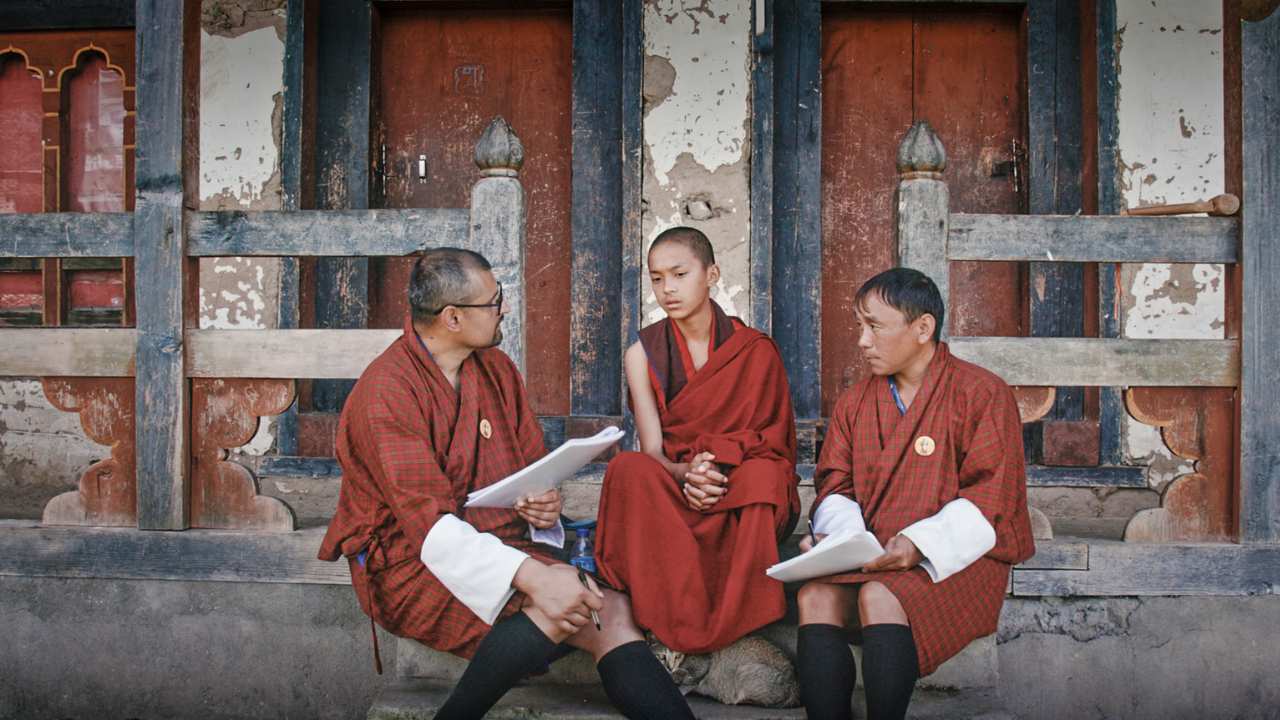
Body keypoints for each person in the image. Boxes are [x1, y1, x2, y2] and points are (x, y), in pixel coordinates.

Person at [318, 248, 694, 720]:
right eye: (494, 301)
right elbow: (430, 528)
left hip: (498, 538)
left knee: (611, 607)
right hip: (410, 562)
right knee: (560, 601)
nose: (505, 309)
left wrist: (544, 507)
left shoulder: (494, 368)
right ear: (453, 317)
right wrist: (535, 575)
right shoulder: (386, 393)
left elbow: (532, 468)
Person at [794, 267, 1035, 720]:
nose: (862, 340)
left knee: (880, 596)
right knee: (814, 596)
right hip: (875, 550)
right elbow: (834, 483)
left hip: (959, 555)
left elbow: (993, 495)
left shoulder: (981, 393)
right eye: (860, 326)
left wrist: (918, 545)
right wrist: (845, 539)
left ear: (922, 328)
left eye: (875, 326)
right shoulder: (855, 402)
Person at [594, 226, 801, 654]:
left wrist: (717, 466)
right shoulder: (642, 353)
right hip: (679, 481)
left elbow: (773, 442)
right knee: (627, 469)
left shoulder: (755, 350)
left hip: (734, 476)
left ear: (712, 274)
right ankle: (675, 621)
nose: (667, 289)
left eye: (679, 274)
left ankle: (733, 623)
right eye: (656, 278)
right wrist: (687, 472)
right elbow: (652, 451)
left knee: (764, 477)